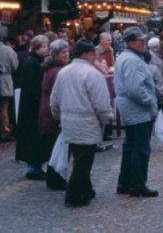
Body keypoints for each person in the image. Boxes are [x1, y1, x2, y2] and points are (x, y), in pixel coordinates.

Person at [50, 39, 114, 207]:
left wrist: (58, 117)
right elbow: (101, 103)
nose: (95, 57)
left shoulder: (64, 72)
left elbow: (54, 101)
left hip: (68, 122)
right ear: (86, 54)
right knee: (83, 161)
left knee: (78, 156)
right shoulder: (92, 74)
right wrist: (107, 119)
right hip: (87, 122)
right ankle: (73, 194)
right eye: (93, 53)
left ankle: (87, 189)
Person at [114, 27, 159, 198]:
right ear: (132, 42)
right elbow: (135, 89)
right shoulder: (133, 60)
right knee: (140, 148)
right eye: (141, 41)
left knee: (130, 146)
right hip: (137, 109)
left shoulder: (125, 57)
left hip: (130, 108)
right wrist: (150, 101)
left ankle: (125, 182)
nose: (144, 43)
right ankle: (137, 184)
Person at [16, 35, 50, 180]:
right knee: (34, 138)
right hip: (32, 108)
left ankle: (35, 166)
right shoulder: (33, 63)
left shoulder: (35, 62)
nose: (46, 49)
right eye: (44, 46)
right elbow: (34, 87)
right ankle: (34, 168)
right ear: (36, 48)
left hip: (31, 106)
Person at [40, 39, 70, 190]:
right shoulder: (58, 71)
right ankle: (55, 179)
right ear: (55, 54)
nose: (67, 55)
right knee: (56, 146)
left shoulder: (50, 69)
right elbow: (59, 95)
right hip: (53, 111)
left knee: (52, 145)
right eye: (63, 52)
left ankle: (53, 178)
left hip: (47, 108)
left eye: (67, 51)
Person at [0, 32, 18, 142]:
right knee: (4, 108)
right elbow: (15, 66)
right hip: (6, 80)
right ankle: (4, 132)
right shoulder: (9, 50)